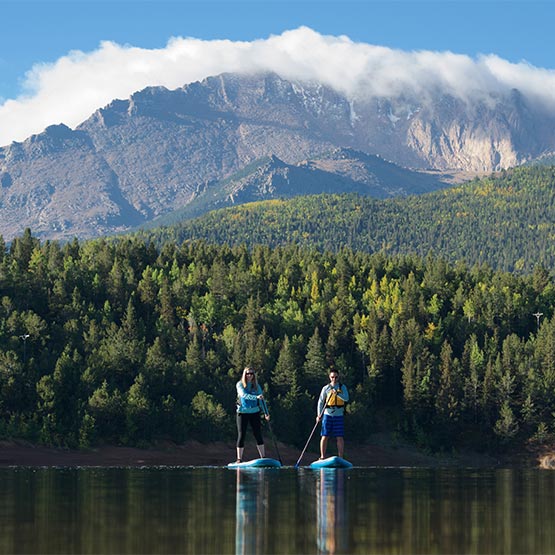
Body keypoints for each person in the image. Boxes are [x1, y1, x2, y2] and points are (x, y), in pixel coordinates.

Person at [235, 366, 270, 463]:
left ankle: (263, 457)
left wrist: (266, 413)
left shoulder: (256, 386)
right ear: (244, 374)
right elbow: (243, 395)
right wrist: (256, 397)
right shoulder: (240, 385)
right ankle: (239, 459)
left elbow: (262, 400)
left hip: (255, 412)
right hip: (242, 412)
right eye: (247, 373)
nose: (249, 375)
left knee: (258, 434)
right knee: (241, 434)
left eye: (251, 373)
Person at [316, 369, 349, 459]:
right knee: (324, 436)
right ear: (329, 377)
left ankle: (340, 457)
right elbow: (320, 402)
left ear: (338, 377)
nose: (334, 379)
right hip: (327, 414)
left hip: (339, 415)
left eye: (336, 377)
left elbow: (346, 398)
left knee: (339, 436)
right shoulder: (326, 388)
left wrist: (337, 394)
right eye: (332, 377)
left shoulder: (342, 387)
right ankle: (322, 456)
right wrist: (319, 415)